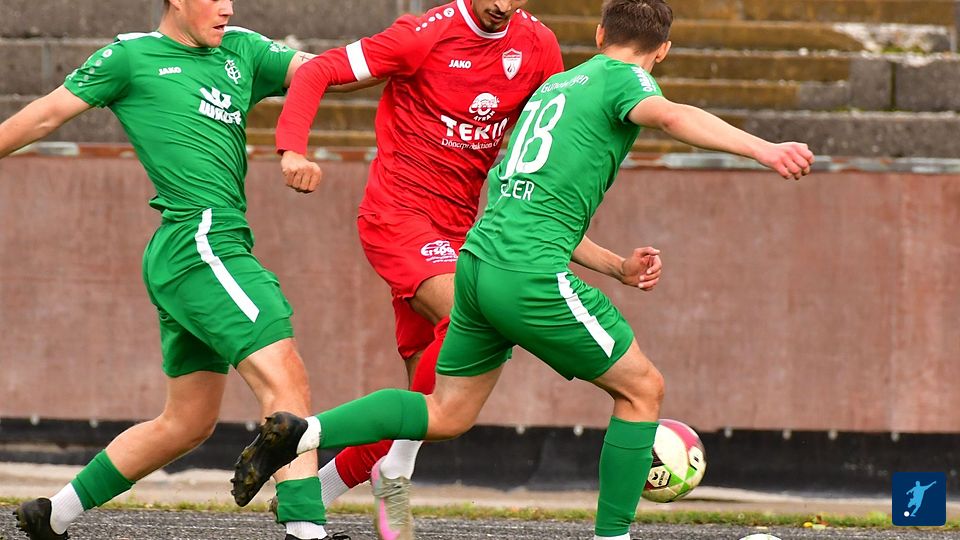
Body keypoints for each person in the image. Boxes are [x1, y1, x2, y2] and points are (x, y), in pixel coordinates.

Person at [231, 0, 814, 539]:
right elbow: (671, 115)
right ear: (662, 51)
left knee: (443, 410)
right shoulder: (621, 79)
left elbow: (533, 200)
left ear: (598, 34)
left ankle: (308, 434)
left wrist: (614, 265)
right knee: (643, 389)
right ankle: (603, 532)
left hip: (477, 252)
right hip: (461, 244)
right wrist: (765, 150)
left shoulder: (554, 81)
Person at [272, 0, 625, 531]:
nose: (502, 5)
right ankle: (391, 468)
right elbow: (319, 69)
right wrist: (292, 151)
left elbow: (539, 156)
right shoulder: (422, 35)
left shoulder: (538, 47)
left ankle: (320, 490)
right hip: (397, 218)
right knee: (476, 314)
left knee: (431, 403)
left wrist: (609, 261)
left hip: (462, 233)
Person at [1, 1, 344, 539]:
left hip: (194, 250)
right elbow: (46, 114)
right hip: (200, 241)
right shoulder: (129, 57)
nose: (227, 7)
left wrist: (413, 51)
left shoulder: (244, 49)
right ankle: (306, 528)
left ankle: (53, 514)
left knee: (186, 423)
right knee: (285, 375)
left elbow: (329, 71)